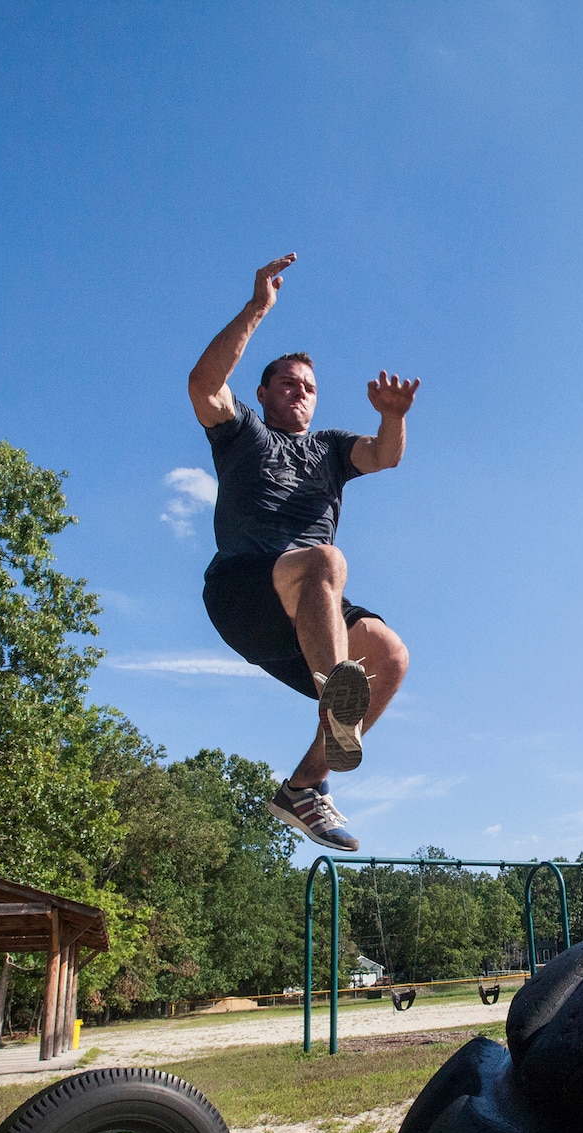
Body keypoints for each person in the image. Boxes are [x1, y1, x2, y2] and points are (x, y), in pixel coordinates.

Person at [187, 253, 417, 852]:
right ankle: (336, 693)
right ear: (262, 393)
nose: (300, 392)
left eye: (310, 388)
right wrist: (258, 307)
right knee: (326, 562)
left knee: (391, 656)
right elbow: (203, 385)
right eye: (288, 383)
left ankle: (306, 786)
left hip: (304, 614)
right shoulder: (242, 431)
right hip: (244, 592)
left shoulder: (333, 448)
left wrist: (392, 418)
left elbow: (385, 456)